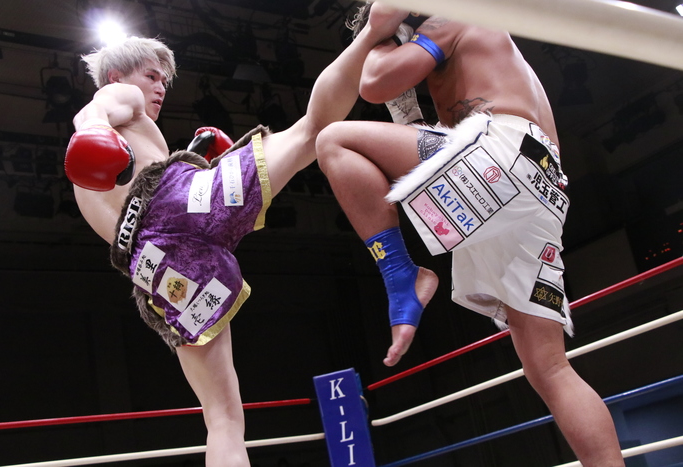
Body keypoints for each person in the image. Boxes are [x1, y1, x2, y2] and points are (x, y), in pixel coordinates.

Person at [64, 7, 409, 466]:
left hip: (157, 271)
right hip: (180, 207)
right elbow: (94, 112)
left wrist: (198, 161)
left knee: (223, 419)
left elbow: (151, 219)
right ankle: (372, 32)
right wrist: (92, 130)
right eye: (151, 75)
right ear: (116, 76)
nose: (160, 87)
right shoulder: (117, 96)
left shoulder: (89, 176)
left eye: (164, 79)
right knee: (311, 130)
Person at [316, 4, 625, 466]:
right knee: (549, 368)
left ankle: (401, 275)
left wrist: (381, 34)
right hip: (537, 190)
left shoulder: (456, 14)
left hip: (504, 156)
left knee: (333, 140)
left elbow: (373, 84)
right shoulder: (476, 56)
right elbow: (422, 141)